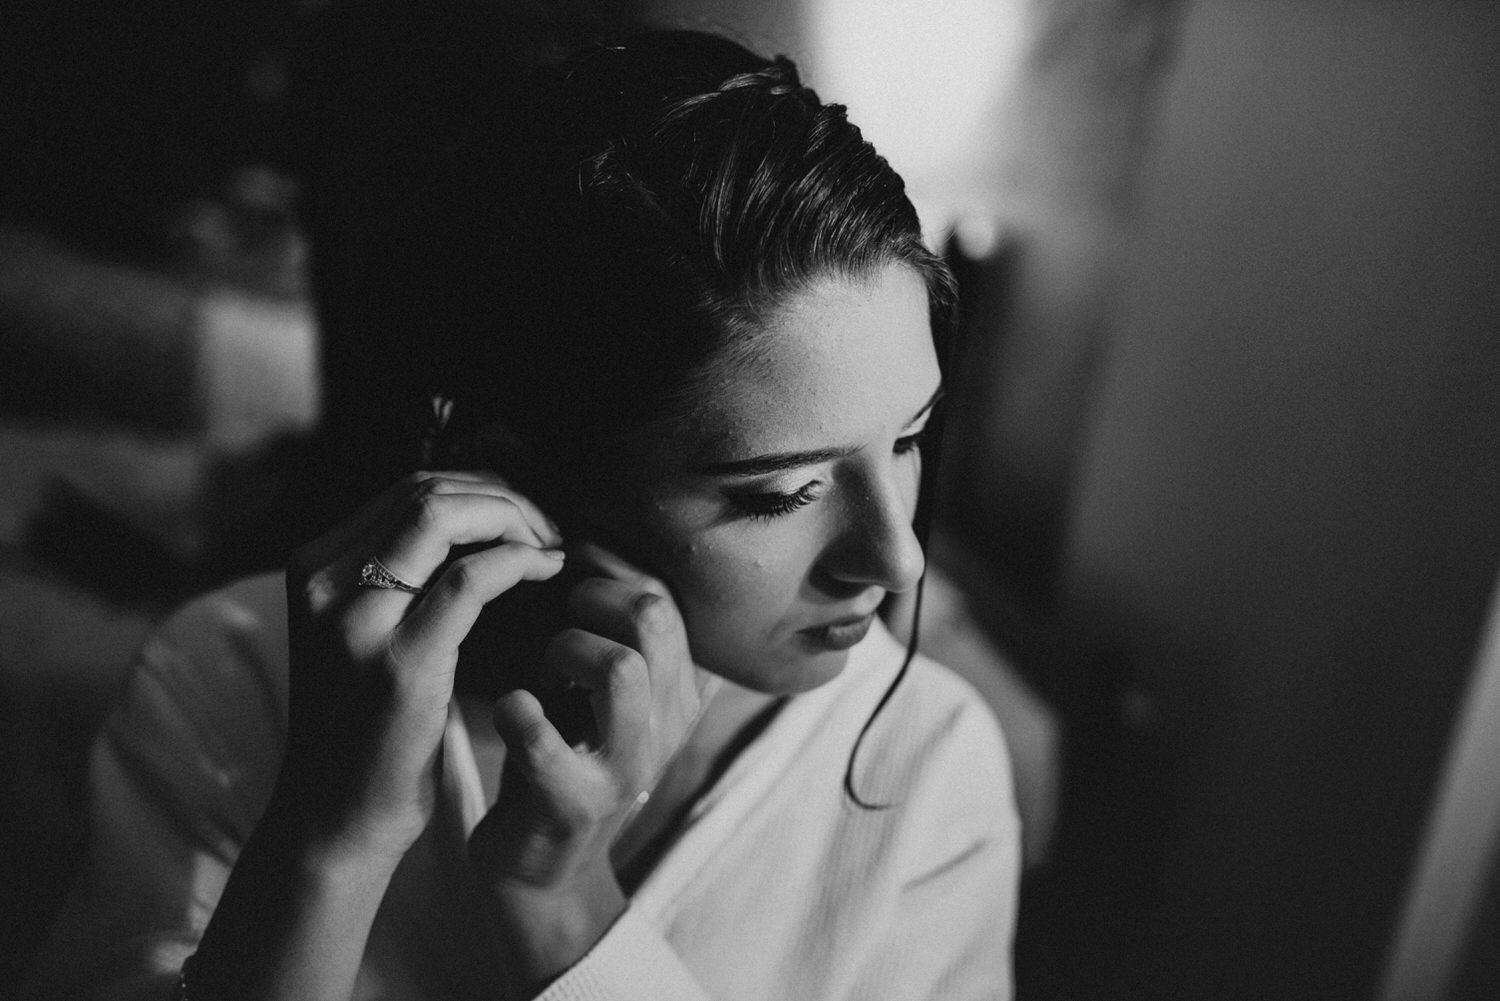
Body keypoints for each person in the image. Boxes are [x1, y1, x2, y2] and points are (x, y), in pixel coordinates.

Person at [30, 24, 1020, 1001]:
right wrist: (335, 840)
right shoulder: (229, 680)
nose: (898, 560)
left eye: (910, 437)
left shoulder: (931, 765)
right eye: (780, 493)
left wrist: (565, 905)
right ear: (525, 474)